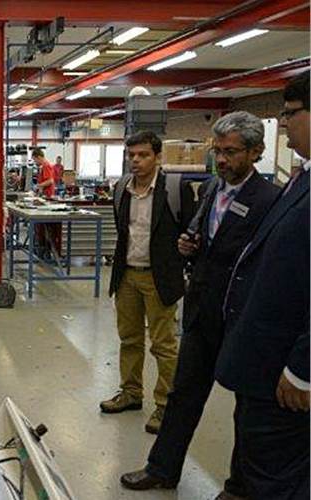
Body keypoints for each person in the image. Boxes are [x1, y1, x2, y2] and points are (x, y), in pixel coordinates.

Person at [120, 112, 280, 499]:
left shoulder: (270, 200)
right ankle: (162, 469)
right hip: (203, 313)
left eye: (231, 152)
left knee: (246, 408)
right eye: (218, 151)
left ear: (256, 152)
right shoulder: (211, 188)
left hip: (241, 319)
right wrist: (189, 249)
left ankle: (239, 486)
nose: (222, 160)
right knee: (183, 395)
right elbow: (206, 242)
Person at [215, 72, 310, 500]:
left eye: (290, 113)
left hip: (287, 375)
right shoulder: (301, 178)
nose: (284, 124)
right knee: (258, 465)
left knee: (276, 480)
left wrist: (303, 371)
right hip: (263, 365)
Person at [102, 131, 185, 434]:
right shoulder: (121, 188)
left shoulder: (173, 189)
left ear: (157, 157)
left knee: (164, 345)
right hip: (126, 276)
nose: (136, 161)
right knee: (130, 339)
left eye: (143, 155)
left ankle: (165, 406)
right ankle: (131, 393)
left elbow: (188, 233)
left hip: (158, 278)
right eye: (131, 155)